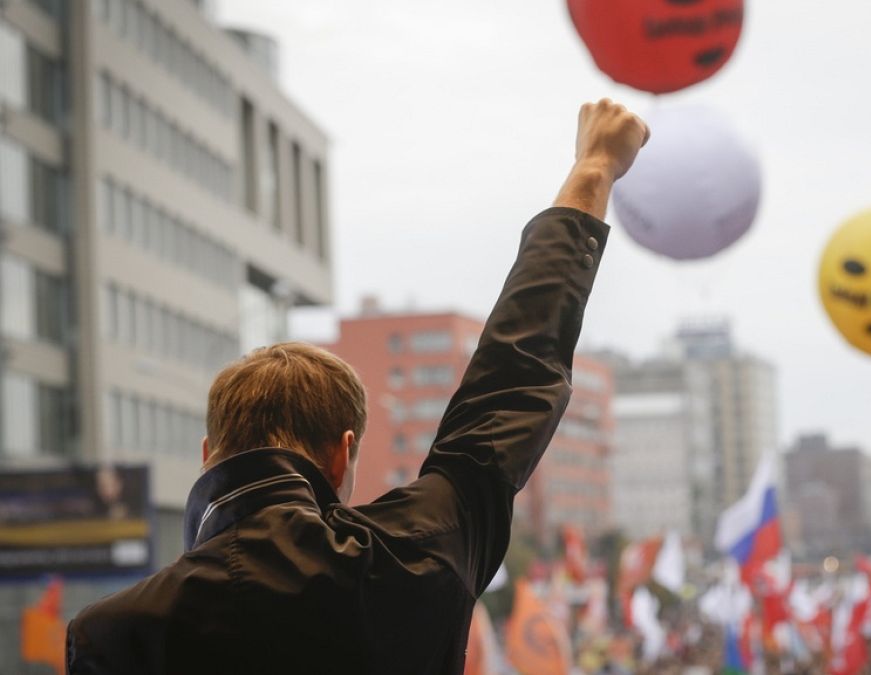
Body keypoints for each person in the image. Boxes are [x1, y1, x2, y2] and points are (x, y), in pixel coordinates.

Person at [66, 98, 650, 675]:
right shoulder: (411, 558)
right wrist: (593, 168)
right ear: (341, 454)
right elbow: (510, 381)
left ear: (207, 455)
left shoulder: (113, 634)